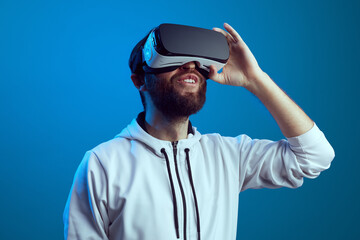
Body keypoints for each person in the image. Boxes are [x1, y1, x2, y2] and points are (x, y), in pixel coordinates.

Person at [63, 23, 335, 240]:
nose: (190, 65)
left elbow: (315, 156)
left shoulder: (230, 155)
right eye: (172, 57)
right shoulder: (102, 164)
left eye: (196, 61)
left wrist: (255, 79)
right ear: (139, 81)